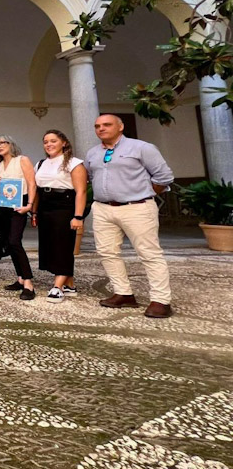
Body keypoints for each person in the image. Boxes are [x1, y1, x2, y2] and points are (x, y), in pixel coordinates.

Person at [85, 114, 175, 318]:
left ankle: (161, 300)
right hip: (103, 208)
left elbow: (164, 176)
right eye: (97, 126)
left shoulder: (142, 147)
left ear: (120, 127)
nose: (101, 129)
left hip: (137, 207)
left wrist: (142, 192)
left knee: (149, 253)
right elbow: (91, 176)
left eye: (107, 125)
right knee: (107, 252)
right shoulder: (92, 153)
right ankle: (124, 293)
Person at [33, 130, 87, 303]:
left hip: (64, 205)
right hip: (45, 205)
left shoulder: (74, 163)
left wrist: (78, 216)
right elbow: (36, 190)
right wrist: (34, 212)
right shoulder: (41, 163)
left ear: (64, 143)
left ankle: (58, 287)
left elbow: (81, 191)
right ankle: (70, 284)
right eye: (45, 141)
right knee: (50, 245)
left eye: (53, 141)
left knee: (63, 245)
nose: (49, 144)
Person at [0, 134, 37, 299]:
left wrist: (29, 205)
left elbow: (32, 183)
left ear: (11, 144)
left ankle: (29, 283)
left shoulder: (22, 160)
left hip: (18, 205)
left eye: (3, 142)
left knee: (15, 242)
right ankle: (20, 278)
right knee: (8, 243)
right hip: (1, 205)